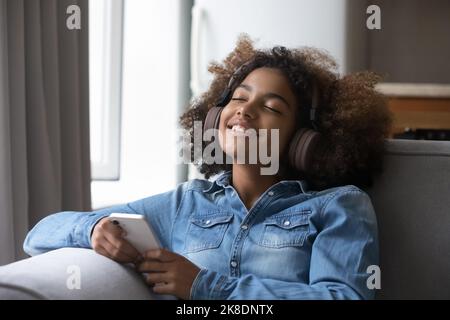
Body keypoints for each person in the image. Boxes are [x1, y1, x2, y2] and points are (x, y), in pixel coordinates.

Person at [23, 34, 392, 300]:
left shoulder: (338, 206)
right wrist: (92, 229)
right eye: (238, 98)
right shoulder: (186, 204)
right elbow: (39, 234)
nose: (245, 111)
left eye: (273, 107)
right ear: (216, 116)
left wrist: (204, 286)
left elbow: (343, 297)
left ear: (304, 138)